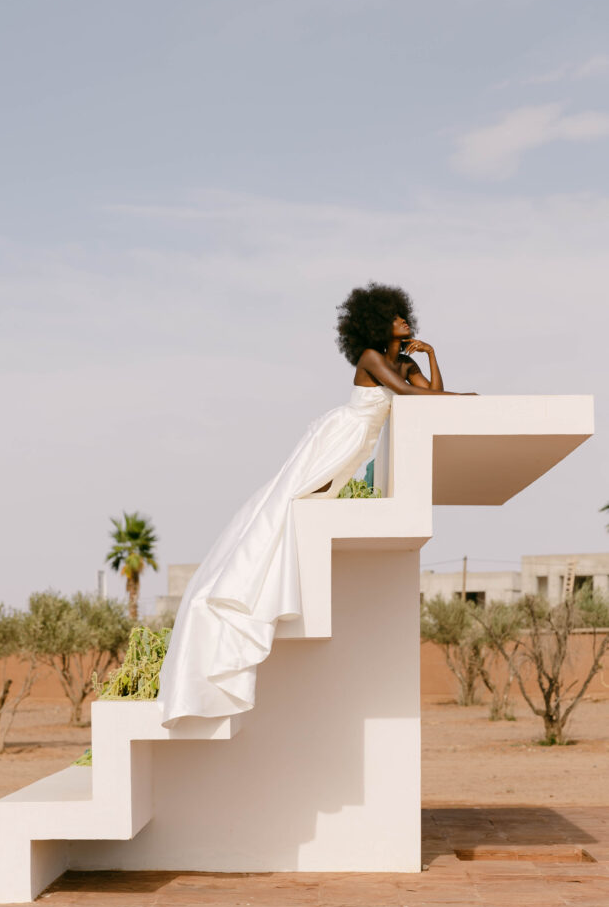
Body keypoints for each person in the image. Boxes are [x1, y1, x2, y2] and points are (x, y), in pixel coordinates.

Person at [158, 282, 474, 726]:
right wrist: (458, 398)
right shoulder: (372, 358)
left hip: (357, 443)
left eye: (405, 315)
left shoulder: (404, 362)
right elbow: (412, 398)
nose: (404, 320)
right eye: (396, 315)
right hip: (340, 436)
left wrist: (432, 358)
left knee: (298, 503)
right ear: (377, 322)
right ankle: (240, 588)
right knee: (288, 502)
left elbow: (432, 401)